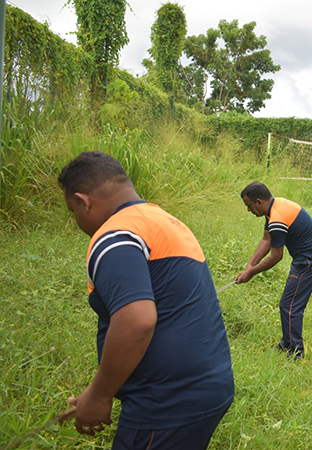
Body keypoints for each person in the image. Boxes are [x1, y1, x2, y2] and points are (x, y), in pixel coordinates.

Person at [58, 151, 234, 450]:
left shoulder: (114, 236)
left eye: (72, 210)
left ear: (83, 201)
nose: (76, 220)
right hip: (208, 386)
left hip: (166, 403)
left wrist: (99, 396)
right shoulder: (165, 221)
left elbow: (137, 320)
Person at [235, 182, 312, 360]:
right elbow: (266, 240)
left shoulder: (277, 218)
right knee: (288, 304)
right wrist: (249, 265)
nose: (248, 210)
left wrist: (252, 273)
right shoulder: (275, 206)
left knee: (290, 306)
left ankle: (295, 352)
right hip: (305, 258)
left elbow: (276, 256)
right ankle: (287, 342)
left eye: (249, 205)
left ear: (259, 201)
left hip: (309, 261)